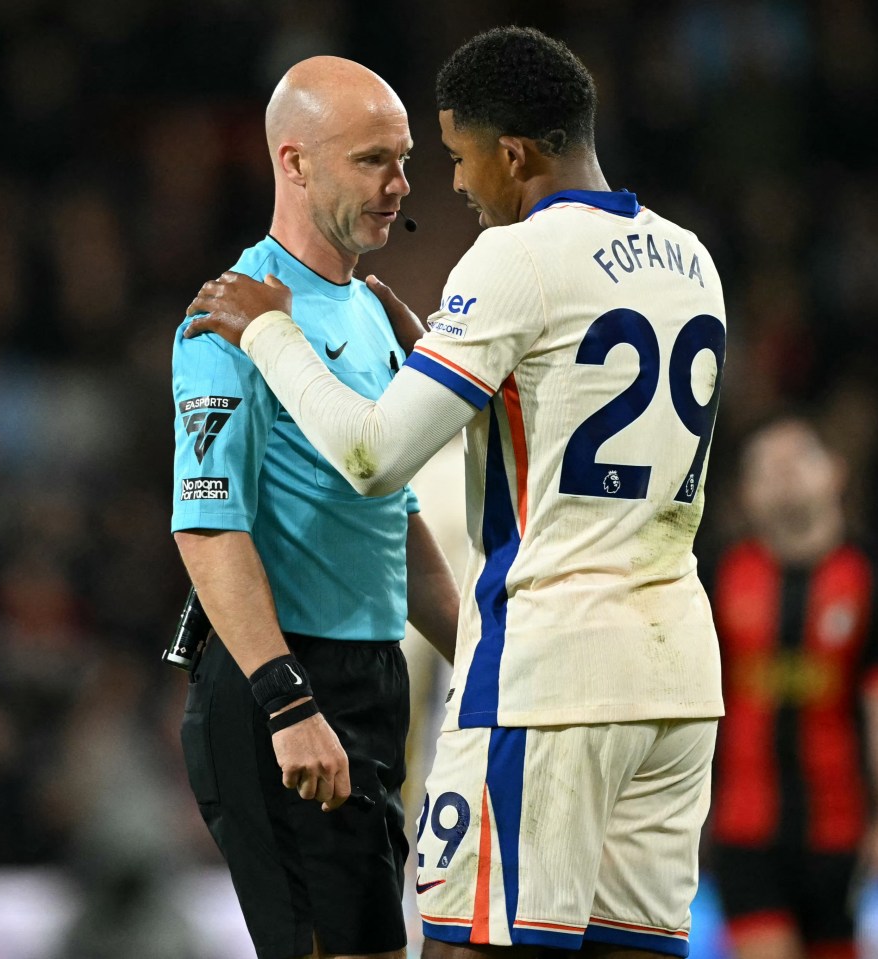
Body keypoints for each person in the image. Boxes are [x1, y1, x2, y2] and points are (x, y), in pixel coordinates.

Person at [184, 25, 727, 959]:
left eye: (450, 157)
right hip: (676, 678)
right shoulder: (691, 258)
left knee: (463, 943)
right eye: (385, 160)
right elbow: (559, 394)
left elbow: (373, 463)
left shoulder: (508, 260)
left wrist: (272, 335)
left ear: (513, 152)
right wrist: (439, 344)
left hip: (547, 677)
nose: (447, 185)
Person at [170, 56, 459, 959]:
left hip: (372, 681)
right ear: (294, 164)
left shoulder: (372, 308)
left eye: (404, 158)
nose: (401, 184)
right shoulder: (229, 316)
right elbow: (208, 524)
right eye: (374, 160)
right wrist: (286, 701)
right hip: (287, 685)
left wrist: (489, 659)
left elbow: (395, 522)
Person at [709, 415, 878, 959]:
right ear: (745, 492)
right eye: (765, 466)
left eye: (798, 458)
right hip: (744, 829)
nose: (783, 475)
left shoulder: (867, 576)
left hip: (841, 833)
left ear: (836, 472)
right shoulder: (716, 576)